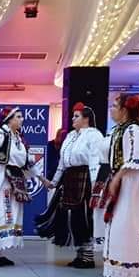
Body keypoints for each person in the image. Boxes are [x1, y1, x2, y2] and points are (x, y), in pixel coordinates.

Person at [0, 107, 45, 266]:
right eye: (18, 117)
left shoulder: (18, 138)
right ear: (9, 120)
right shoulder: (0, 134)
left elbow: (27, 162)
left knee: (9, 213)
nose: (22, 119)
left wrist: (42, 179)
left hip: (14, 179)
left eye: (21, 116)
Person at [36, 103, 102, 268]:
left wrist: (95, 186)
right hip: (70, 178)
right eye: (73, 116)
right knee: (73, 217)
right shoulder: (71, 135)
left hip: (85, 179)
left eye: (76, 116)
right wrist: (54, 182)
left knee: (84, 216)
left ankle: (88, 257)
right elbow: (62, 163)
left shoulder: (94, 135)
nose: (73, 119)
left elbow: (95, 161)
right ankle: (80, 255)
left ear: (86, 119)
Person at [102, 95, 139, 277]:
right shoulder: (119, 130)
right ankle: (126, 273)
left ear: (124, 110)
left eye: (115, 106)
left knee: (130, 226)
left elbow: (136, 158)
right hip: (124, 181)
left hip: (132, 183)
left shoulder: (134, 129)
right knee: (120, 227)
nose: (111, 109)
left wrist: (117, 178)